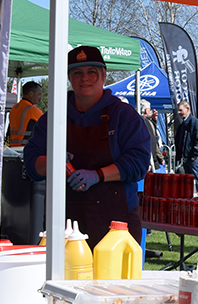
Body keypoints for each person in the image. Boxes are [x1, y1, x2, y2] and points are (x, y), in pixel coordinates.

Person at [23, 46, 151, 248]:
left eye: (92, 72)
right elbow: (31, 161)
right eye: (77, 73)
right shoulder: (53, 116)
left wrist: (97, 175)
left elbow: (138, 163)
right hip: (63, 221)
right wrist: (53, 162)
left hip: (115, 226)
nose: (85, 78)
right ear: (69, 78)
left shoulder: (124, 116)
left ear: (103, 76)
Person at [173, 100, 198, 181]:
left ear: (187, 109)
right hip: (187, 159)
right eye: (178, 110)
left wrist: (194, 157)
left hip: (194, 159)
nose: (179, 113)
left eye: (181, 110)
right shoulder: (182, 125)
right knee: (188, 183)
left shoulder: (195, 123)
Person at [7, 81, 43, 148]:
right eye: (39, 94)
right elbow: (48, 126)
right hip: (26, 148)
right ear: (31, 94)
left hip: (12, 148)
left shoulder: (14, 108)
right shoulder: (33, 110)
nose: (40, 97)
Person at [139, 99, 164, 171]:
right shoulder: (143, 122)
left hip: (150, 159)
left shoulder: (146, 121)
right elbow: (152, 141)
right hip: (149, 160)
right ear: (146, 110)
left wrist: (153, 120)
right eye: (150, 109)